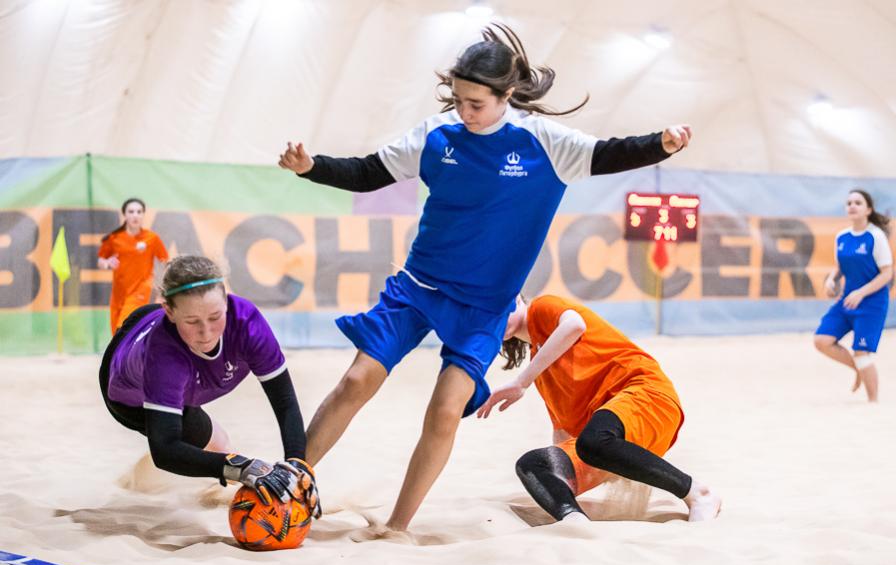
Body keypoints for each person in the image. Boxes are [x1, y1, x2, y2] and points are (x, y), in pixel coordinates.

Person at [277, 23, 692, 532]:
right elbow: (368, 172)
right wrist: (311, 166)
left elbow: (610, 153)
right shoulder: (436, 134)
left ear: (507, 95)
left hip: (483, 308)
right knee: (355, 380)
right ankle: (288, 484)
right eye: (458, 100)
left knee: (445, 409)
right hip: (418, 288)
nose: (465, 112)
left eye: (475, 103)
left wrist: (661, 144)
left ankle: (396, 527)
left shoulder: (545, 143)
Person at [99, 255, 320, 513]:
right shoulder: (163, 355)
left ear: (226, 301)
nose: (206, 333)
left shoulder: (246, 322)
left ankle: (157, 473)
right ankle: (139, 482)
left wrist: (297, 465)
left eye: (215, 317)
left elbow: (285, 402)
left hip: (150, 325)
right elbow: (165, 451)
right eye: (193, 322)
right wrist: (243, 467)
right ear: (169, 312)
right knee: (215, 446)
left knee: (220, 447)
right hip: (128, 396)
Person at [477, 294, 721, 523]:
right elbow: (562, 433)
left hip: (647, 395)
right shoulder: (541, 368)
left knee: (592, 441)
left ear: (517, 299)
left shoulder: (541, 307)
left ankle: (698, 493)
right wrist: (562, 477)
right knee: (532, 463)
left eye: (501, 308)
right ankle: (574, 519)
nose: (496, 317)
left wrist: (522, 382)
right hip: (611, 438)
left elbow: (574, 325)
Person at [814, 189, 893, 402]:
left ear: (868, 210)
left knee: (861, 353)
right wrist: (831, 279)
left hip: (872, 303)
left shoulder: (875, 236)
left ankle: (873, 403)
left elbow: (887, 274)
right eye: (849, 203)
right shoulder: (842, 236)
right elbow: (839, 266)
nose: (852, 206)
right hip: (848, 300)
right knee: (821, 340)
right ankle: (858, 370)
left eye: (858, 202)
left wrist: (861, 292)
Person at [97, 198, 169, 334]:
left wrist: (167, 284)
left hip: (140, 291)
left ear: (143, 215)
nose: (135, 215)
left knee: (124, 326)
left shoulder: (151, 238)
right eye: (131, 212)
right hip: (118, 292)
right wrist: (107, 263)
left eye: (139, 212)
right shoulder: (114, 238)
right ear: (124, 215)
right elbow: (101, 260)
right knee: (116, 331)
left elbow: (165, 261)